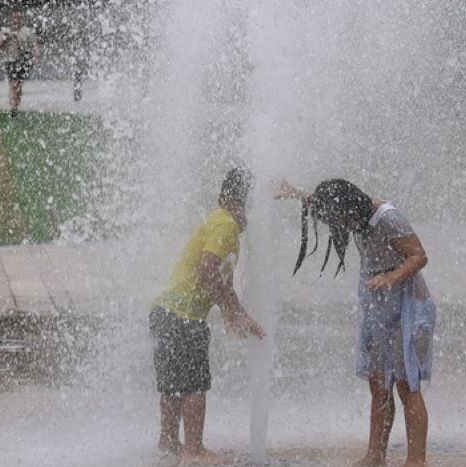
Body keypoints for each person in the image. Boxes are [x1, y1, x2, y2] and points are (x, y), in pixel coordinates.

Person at [277, 179, 435, 467]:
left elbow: (419, 256)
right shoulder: (351, 209)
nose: (343, 226)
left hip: (407, 306)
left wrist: (391, 277)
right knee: (378, 384)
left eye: (341, 218)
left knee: (405, 385)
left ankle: (416, 461)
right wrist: (297, 195)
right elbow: (326, 201)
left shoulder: (387, 217)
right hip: (377, 305)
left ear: (352, 207)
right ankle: (375, 455)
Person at [150, 167, 264, 463]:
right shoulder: (226, 225)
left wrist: (240, 314)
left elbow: (221, 281)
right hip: (184, 316)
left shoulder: (217, 220)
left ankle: (169, 443)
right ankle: (194, 450)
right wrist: (228, 313)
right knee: (194, 385)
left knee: (173, 384)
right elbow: (207, 267)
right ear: (242, 205)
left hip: (166, 312)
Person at [0, 11, 40, 117]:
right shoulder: (5, 31)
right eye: (14, 17)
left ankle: (16, 104)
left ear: (21, 19)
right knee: (13, 84)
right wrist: (4, 40)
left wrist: (37, 55)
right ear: (10, 19)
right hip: (10, 61)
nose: (16, 20)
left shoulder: (27, 31)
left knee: (18, 86)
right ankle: (13, 108)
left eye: (18, 18)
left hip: (23, 61)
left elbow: (34, 44)